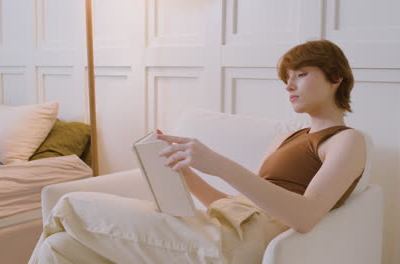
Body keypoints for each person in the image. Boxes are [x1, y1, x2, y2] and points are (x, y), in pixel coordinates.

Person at [28, 39, 366, 264]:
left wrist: (217, 163)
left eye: (301, 75)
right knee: (60, 250)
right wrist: (185, 171)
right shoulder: (291, 137)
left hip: (236, 244)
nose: (289, 86)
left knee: (68, 206)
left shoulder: (346, 140)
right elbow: (237, 206)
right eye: (286, 78)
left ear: (335, 77)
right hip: (219, 226)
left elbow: (305, 217)